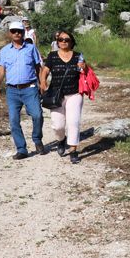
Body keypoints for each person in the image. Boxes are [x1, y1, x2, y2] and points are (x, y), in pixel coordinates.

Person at [0, 21, 46, 160]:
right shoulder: (4, 51)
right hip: (12, 91)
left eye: (19, 31)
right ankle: (21, 149)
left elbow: (38, 67)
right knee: (14, 120)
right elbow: (1, 70)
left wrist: (42, 83)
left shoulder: (31, 48)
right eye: (13, 31)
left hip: (30, 88)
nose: (17, 33)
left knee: (37, 115)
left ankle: (37, 139)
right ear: (9, 33)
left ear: (23, 32)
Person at [39, 30, 85, 164]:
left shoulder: (78, 56)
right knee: (57, 125)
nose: (63, 42)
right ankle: (61, 140)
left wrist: (84, 67)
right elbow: (46, 70)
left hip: (74, 94)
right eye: (61, 40)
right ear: (57, 42)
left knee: (73, 122)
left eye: (66, 39)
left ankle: (73, 150)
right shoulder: (52, 56)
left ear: (72, 42)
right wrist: (43, 81)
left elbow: (86, 71)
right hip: (56, 94)